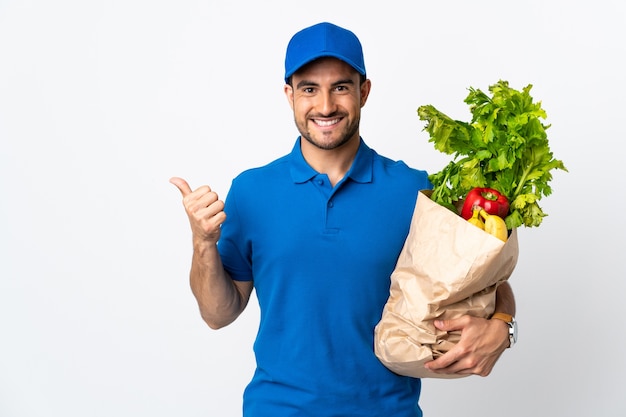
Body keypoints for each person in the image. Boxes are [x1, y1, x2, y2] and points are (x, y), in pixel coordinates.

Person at [170, 21, 516, 417]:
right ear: (289, 95)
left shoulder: (415, 191)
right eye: (309, 88)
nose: (325, 106)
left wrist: (503, 327)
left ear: (363, 91)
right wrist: (202, 243)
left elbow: (486, 279)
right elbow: (218, 314)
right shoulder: (252, 191)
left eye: (340, 86)